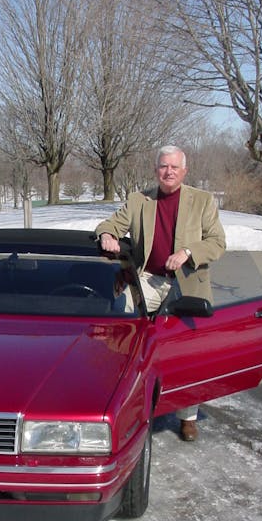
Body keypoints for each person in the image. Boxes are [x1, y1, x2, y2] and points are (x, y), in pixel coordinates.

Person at [95, 145, 226, 442]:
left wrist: (188, 252)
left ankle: (187, 417)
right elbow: (112, 223)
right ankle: (121, 402)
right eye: (163, 167)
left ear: (184, 171)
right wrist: (107, 234)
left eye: (174, 168)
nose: (168, 172)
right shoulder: (140, 200)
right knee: (121, 332)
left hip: (187, 284)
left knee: (185, 353)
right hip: (148, 281)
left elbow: (217, 242)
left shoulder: (203, 201)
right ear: (156, 170)